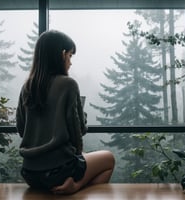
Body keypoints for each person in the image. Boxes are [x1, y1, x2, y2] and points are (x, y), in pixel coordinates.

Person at [16, 30, 115, 195]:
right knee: (108, 159)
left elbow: (21, 129)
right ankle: (74, 188)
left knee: (84, 159)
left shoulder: (27, 87)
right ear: (63, 54)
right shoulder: (68, 84)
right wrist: (80, 115)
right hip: (59, 172)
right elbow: (78, 133)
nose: (70, 62)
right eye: (70, 56)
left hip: (30, 173)